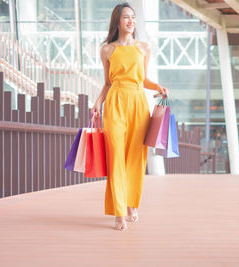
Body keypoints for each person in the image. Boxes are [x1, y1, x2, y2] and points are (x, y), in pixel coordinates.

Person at [90, 2, 169, 231]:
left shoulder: (144, 48)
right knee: (115, 157)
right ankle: (118, 211)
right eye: (126, 17)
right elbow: (107, 83)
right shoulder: (107, 49)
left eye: (133, 17)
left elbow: (142, 79)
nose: (131, 21)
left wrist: (158, 86)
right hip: (115, 103)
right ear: (117, 21)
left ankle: (132, 204)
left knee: (136, 157)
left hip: (137, 103)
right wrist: (97, 102)